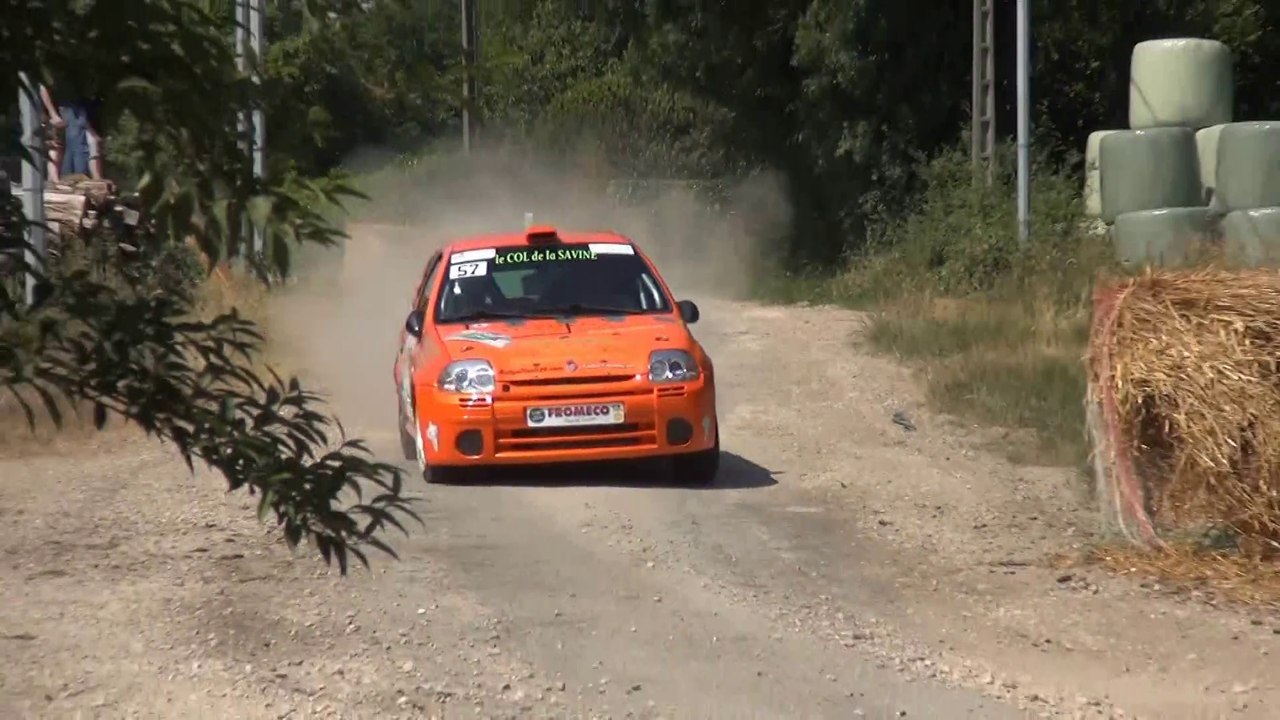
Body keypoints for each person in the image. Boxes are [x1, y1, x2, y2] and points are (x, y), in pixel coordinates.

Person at [39, 82, 104, 181]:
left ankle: (77, 178)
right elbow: (43, 88)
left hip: (73, 107)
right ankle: (57, 180)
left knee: (80, 146)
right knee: (57, 147)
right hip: (61, 108)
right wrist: (53, 114)